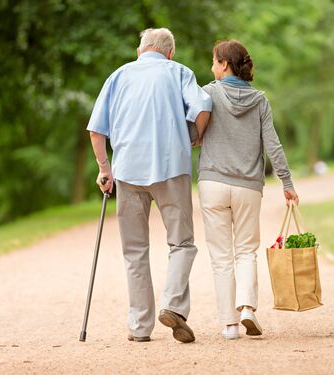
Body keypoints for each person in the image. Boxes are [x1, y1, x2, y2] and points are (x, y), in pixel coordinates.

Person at [87, 28, 211, 343]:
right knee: (182, 243)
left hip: (128, 172)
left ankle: (140, 327)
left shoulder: (118, 76)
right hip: (171, 169)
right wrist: (193, 138)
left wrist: (105, 168)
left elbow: (97, 130)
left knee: (134, 251)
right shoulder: (179, 72)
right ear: (169, 52)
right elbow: (203, 107)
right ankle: (172, 304)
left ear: (140, 50)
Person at [198, 40, 299, 340]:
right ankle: (247, 310)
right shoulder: (260, 100)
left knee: (220, 256)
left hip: (213, 183)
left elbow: (193, 133)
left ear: (225, 65)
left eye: (215, 62)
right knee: (245, 251)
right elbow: (273, 144)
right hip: (247, 188)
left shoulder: (208, 93)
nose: (212, 67)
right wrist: (287, 182)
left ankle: (229, 325)